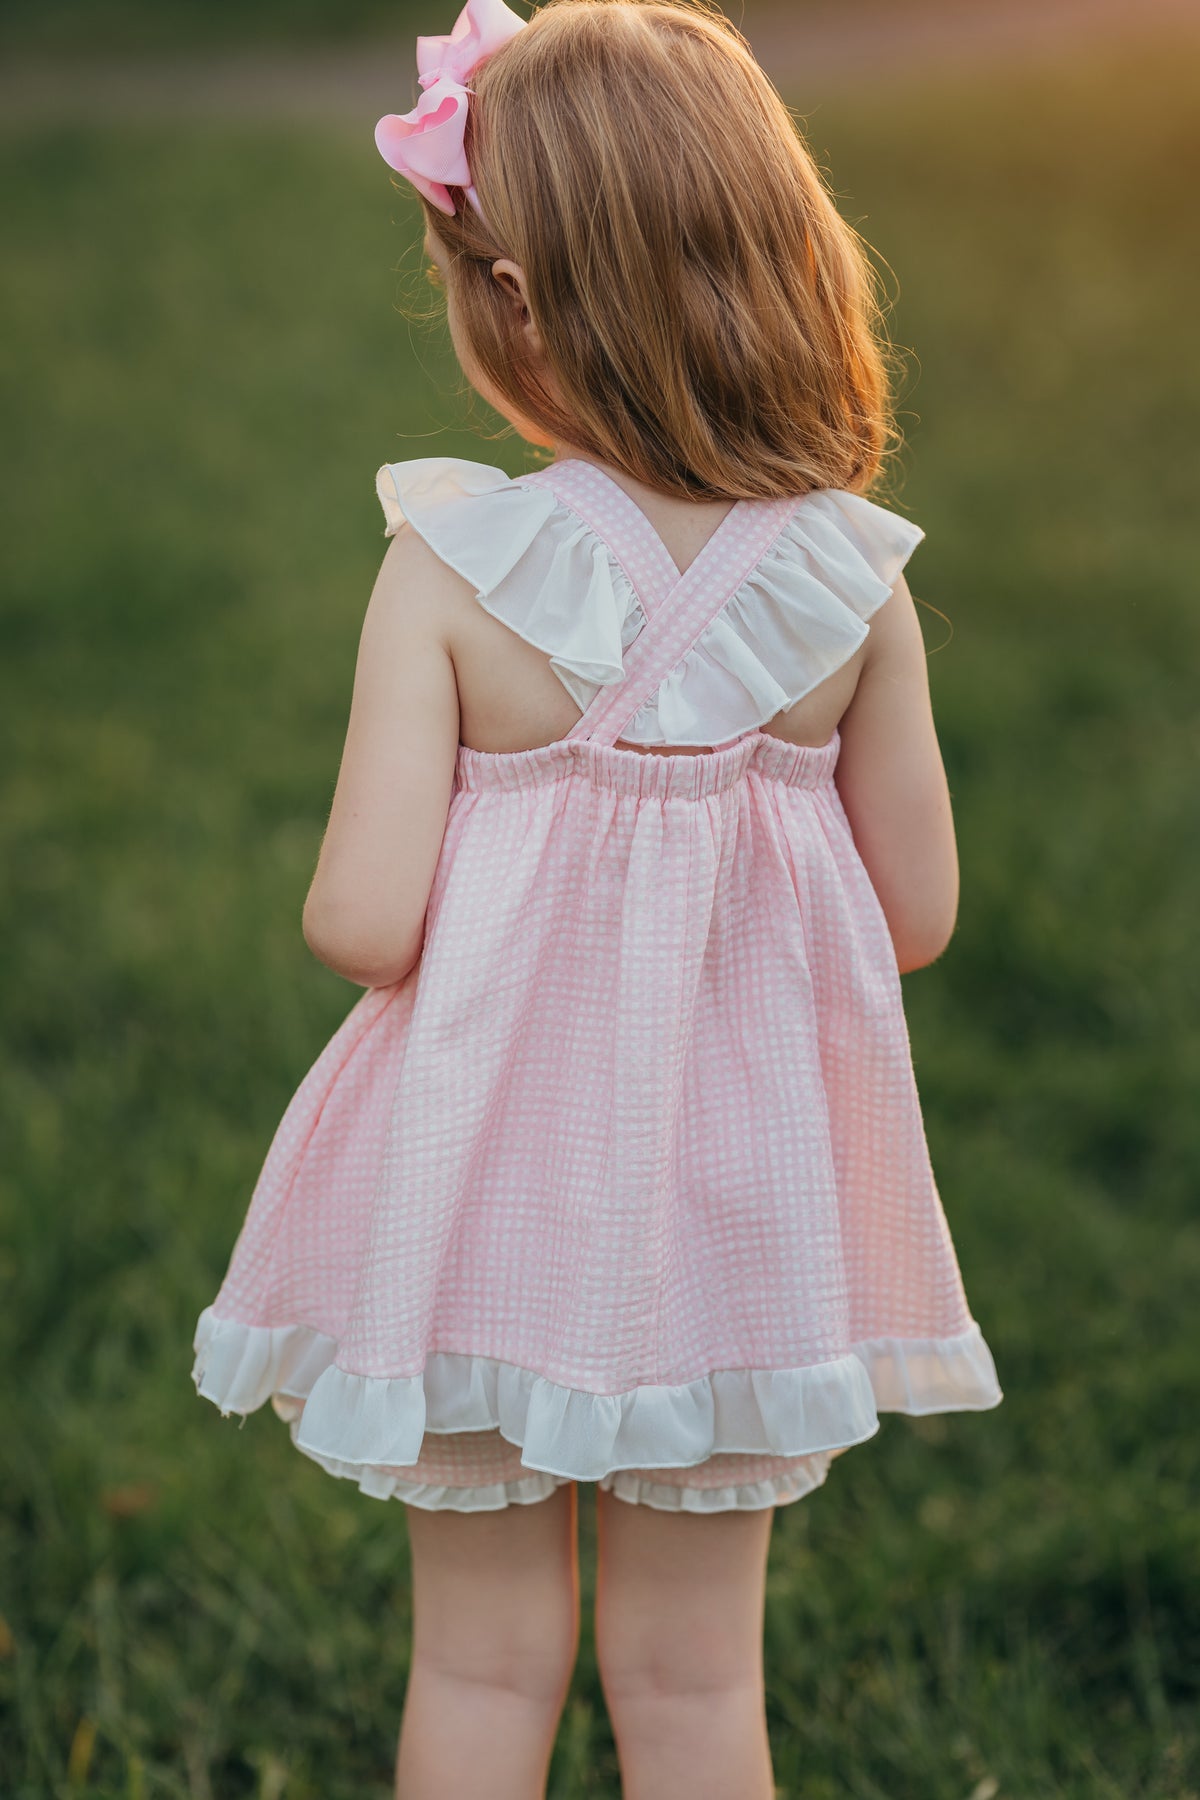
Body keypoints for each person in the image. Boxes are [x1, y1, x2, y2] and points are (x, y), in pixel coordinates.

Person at [191, 1, 1002, 1794]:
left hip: (486, 1190)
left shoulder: (459, 568)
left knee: (483, 1668)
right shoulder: (850, 585)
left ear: (517, 299)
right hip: (736, 1211)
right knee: (703, 1685)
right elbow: (918, 915)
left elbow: (364, 921)